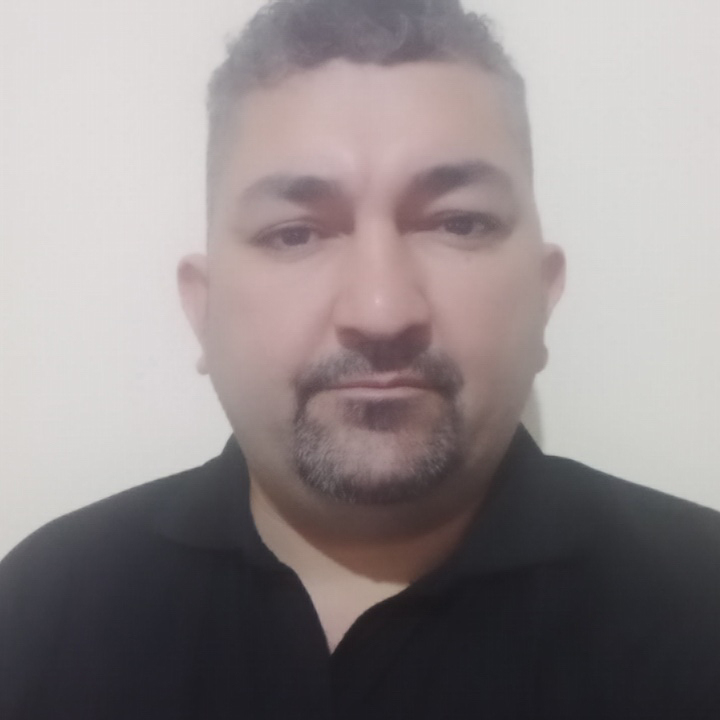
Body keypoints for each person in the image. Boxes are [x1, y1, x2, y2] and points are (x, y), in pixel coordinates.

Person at [1, 0, 718, 717]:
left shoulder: (700, 604)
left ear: (542, 294)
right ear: (203, 309)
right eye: (295, 234)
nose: (381, 310)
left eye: (458, 223)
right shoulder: (40, 609)